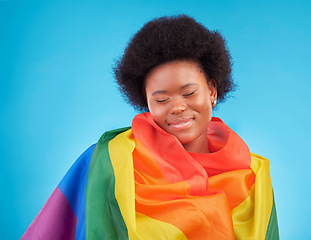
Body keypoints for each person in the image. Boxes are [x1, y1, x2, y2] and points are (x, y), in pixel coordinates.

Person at [22, 15, 279, 240]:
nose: (177, 107)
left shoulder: (252, 175)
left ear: (212, 91)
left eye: (188, 93)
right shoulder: (106, 163)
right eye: (161, 99)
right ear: (145, 102)